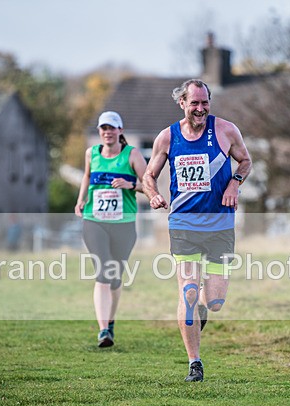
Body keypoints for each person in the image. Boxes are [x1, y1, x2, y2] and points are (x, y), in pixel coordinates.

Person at [141, 79, 252, 382]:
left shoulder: (227, 131)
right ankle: (195, 363)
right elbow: (148, 176)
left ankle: (200, 310)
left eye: (205, 103)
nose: (200, 109)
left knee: (213, 301)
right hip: (184, 224)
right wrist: (152, 194)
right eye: (195, 103)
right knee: (188, 291)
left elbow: (245, 161)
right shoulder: (167, 137)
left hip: (220, 226)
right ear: (183, 103)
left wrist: (234, 183)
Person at [74, 111, 147, 348]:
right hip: (94, 220)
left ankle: (110, 321)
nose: (108, 132)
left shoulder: (132, 155)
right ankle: (103, 330)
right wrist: (81, 199)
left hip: (123, 224)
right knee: (103, 273)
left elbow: (149, 186)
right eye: (103, 128)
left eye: (112, 128)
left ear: (120, 131)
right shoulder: (91, 153)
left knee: (115, 276)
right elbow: (86, 176)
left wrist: (131, 184)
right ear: (99, 131)